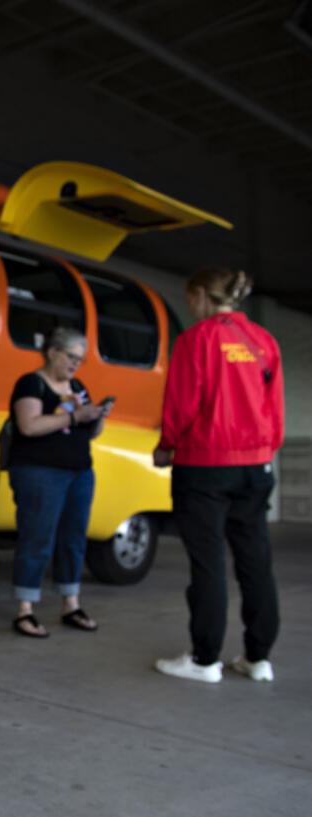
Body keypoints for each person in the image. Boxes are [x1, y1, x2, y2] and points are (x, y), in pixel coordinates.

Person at [153, 267, 284, 683]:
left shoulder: (197, 339)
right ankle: (257, 658)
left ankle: (204, 659)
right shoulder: (264, 341)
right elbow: (274, 411)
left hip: (205, 467)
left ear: (198, 295)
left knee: (207, 565)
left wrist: (166, 445)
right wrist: (260, 451)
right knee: (256, 562)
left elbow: (183, 403)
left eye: (190, 300)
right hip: (256, 466)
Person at [6, 326, 111, 638]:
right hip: (40, 471)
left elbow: (90, 432)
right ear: (52, 352)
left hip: (79, 471)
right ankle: (25, 609)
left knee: (74, 537)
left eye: (80, 359)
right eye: (71, 357)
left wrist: (98, 416)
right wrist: (76, 417)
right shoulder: (32, 383)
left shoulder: (77, 386)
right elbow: (28, 425)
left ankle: (71, 603)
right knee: (37, 537)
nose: (76, 364)